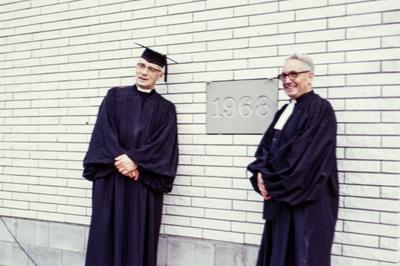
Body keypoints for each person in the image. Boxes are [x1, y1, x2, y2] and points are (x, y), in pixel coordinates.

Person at [83, 46, 178, 266]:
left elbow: (164, 145)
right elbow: (103, 133)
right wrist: (123, 160)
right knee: (105, 237)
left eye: (152, 68)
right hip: (111, 180)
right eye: (141, 65)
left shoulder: (166, 109)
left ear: (160, 75)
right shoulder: (115, 96)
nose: (144, 72)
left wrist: (135, 160)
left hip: (142, 185)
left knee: (138, 239)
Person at [247, 54, 339, 266]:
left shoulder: (320, 110)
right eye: (283, 75)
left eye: (294, 74)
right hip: (279, 197)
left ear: (310, 77)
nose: (287, 80)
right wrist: (261, 173)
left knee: (301, 257)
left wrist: (270, 180)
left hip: (305, 200)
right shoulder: (285, 110)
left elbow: (308, 159)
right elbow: (265, 148)